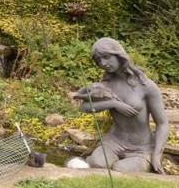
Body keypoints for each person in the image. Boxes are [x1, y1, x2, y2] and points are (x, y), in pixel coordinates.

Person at [71, 38, 168, 174]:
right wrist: (114, 104)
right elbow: (84, 107)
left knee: (121, 170)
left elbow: (162, 123)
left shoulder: (146, 85)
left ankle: (141, 162)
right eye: (99, 61)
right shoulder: (106, 84)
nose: (103, 63)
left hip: (141, 147)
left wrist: (157, 154)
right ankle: (92, 159)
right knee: (98, 164)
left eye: (106, 57)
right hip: (113, 142)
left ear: (118, 54)